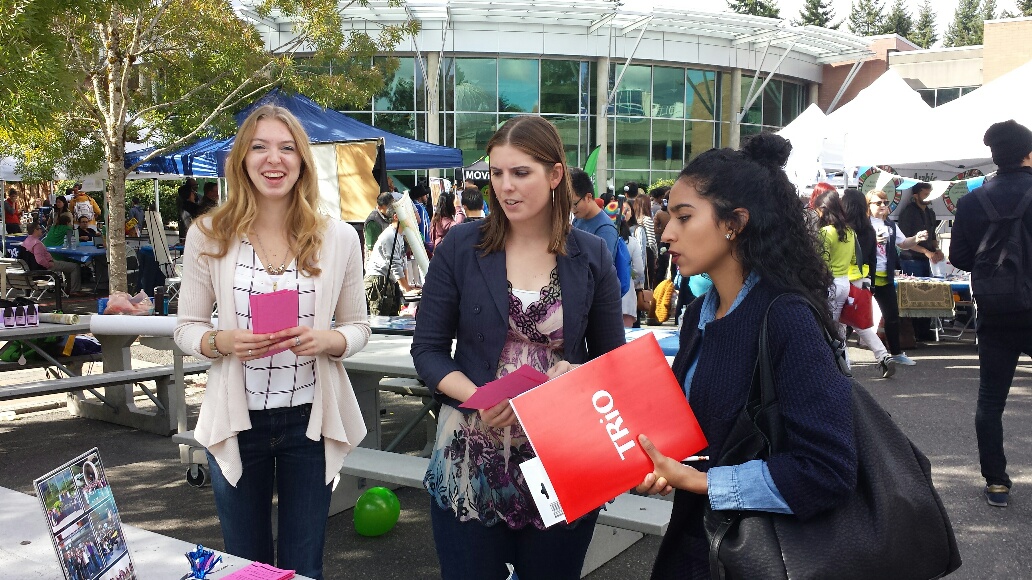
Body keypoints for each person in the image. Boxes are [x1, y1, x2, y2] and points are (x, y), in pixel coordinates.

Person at [411, 116, 624, 580]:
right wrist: (477, 397)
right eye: (497, 173)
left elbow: (613, 362)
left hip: (561, 458)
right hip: (471, 453)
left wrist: (575, 375)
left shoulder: (592, 255)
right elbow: (427, 349)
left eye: (520, 172)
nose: (506, 187)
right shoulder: (462, 246)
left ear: (555, 174)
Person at [634, 133, 856, 577]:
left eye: (683, 217)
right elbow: (702, 432)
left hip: (765, 554)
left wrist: (701, 482)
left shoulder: (787, 318)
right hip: (695, 544)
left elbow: (827, 470)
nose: (667, 232)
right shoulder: (700, 310)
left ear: (734, 222)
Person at [173, 104, 370, 579]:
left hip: (309, 421)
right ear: (241, 159)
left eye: (286, 148)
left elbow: (359, 328)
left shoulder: (339, 237)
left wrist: (329, 339)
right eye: (259, 147)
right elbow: (185, 329)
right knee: (246, 564)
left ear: (302, 161)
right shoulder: (209, 234)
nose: (273, 159)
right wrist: (222, 342)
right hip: (237, 421)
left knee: (305, 564)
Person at [949, 119, 1032, 508]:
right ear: (1029, 154)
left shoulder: (970, 201)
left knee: (991, 400)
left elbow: (960, 257)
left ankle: (996, 482)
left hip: (995, 311)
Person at [867, 189, 927, 368]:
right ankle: (839, 351)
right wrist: (873, 240)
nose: (884, 206)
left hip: (885, 275)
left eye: (886, 202)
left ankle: (896, 353)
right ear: (869, 205)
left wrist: (916, 238)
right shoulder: (863, 223)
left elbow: (903, 243)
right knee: (855, 317)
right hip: (866, 276)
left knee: (892, 315)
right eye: (878, 203)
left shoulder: (890, 225)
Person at [840, 187, 896, 377]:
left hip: (841, 278)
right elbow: (873, 259)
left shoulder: (843, 230)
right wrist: (869, 283)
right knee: (859, 323)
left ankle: (842, 363)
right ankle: (882, 355)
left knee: (836, 323)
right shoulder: (869, 230)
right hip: (862, 281)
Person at [897, 181, 943, 342]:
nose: (929, 196)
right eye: (926, 193)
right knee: (913, 296)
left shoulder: (931, 213)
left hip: (927, 259)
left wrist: (936, 250)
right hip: (911, 259)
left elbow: (933, 236)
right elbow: (904, 242)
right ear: (915, 195)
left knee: (927, 295)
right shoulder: (908, 213)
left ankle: (924, 329)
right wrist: (926, 251)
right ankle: (913, 332)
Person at [812, 185, 854, 346]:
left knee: (827, 328)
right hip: (845, 282)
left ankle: (835, 363)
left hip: (829, 283)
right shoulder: (850, 232)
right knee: (838, 326)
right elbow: (854, 259)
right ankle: (844, 364)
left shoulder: (825, 232)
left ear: (823, 209)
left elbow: (822, 262)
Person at [569, 167, 622, 281]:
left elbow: (599, 272)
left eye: (574, 204)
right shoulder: (579, 218)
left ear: (588, 197)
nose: (571, 209)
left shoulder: (605, 229)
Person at [364, 209, 412, 316]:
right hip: (378, 279)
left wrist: (406, 286)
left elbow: (402, 261)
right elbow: (395, 264)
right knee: (381, 317)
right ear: (396, 217)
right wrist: (406, 288)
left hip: (388, 279)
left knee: (392, 316)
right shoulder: (390, 235)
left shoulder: (399, 235)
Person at [20, 223, 82, 294]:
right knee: (74, 267)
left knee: (67, 266)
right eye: (40, 229)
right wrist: (49, 265)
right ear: (35, 230)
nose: (41, 230)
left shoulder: (26, 241)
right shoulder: (37, 244)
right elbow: (40, 260)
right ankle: (74, 290)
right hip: (44, 266)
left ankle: (68, 287)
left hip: (32, 267)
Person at [620, 199, 648, 327]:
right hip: (627, 297)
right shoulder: (631, 242)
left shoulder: (600, 240)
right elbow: (639, 270)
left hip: (603, 299)